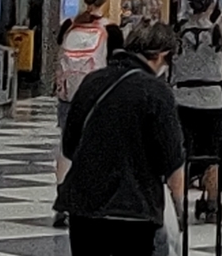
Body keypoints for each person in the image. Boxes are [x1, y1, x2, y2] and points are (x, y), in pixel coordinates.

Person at [59, 21, 186, 256]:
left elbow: (69, 146)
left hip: (84, 204)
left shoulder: (92, 81)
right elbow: (172, 164)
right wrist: (180, 212)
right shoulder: (157, 93)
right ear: (161, 56)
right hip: (134, 210)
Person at [172, 0, 222, 221]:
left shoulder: (177, 31)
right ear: (212, 5)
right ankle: (213, 204)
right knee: (211, 154)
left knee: (182, 153)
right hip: (213, 102)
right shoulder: (219, 33)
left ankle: (178, 205)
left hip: (181, 100)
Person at [54, 0, 125, 227]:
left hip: (68, 97)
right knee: (98, 147)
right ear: (106, 0)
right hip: (98, 97)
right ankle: (94, 199)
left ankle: (62, 198)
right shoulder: (112, 31)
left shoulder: (69, 26)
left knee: (66, 147)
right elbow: (118, 62)